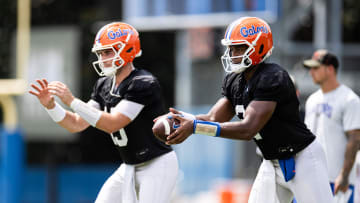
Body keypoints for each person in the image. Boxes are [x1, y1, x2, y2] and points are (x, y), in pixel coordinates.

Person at [165, 17, 334, 202]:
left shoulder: (272, 77)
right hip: (272, 161)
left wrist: (196, 127)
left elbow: (248, 129)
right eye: (231, 48)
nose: (233, 53)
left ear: (259, 47)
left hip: (303, 159)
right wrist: (184, 119)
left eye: (239, 47)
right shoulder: (234, 80)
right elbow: (213, 117)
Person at [29, 22, 178, 203]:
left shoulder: (143, 82)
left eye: (107, 52)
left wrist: (72, 101)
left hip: (156, 164)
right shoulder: (104, 85)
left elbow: (113, 123)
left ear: (128, 49)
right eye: (100, 53)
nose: (103, 57)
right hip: (129, 166)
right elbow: (76, 123)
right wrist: (51, 106)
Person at [303, 49, 360, 203]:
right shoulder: (311, 100)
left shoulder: (349, 99)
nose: (311, 72)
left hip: (337, 181)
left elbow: (354, 139)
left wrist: (344, 175)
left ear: (330, 69)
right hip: (312, 179)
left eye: (316, 68)